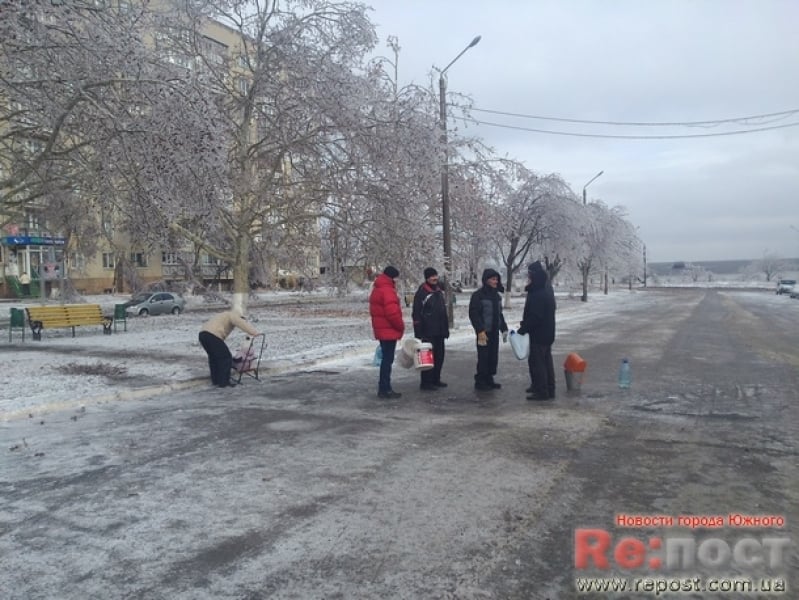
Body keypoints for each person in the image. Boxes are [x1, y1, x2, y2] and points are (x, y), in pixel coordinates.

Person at [518, 261, 557, 401]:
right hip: (548, 331)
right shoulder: (546, 288)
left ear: (533, 275)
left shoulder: (538, 292)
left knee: (538, 362)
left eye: (529, 274)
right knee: (546, 361)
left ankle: (542, 391)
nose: (528, 277)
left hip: (539, 333)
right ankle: (548, 388)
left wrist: (523, 328)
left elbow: (536, 316)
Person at [468, 268, 508, 391]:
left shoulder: (496, 296)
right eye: (493, 279)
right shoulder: (478, 296)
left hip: (494, 331)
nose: (495, 281)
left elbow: (499, 314)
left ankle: (489, 379)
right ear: (486, 280)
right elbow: (473, 314)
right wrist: (480, 330)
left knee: (492, 356)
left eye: (497, 279)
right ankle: (480, 381)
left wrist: (504, 328)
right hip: (483, 333)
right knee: (483, 357)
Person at [199, 308, 260, 388]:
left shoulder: (224, 315)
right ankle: (224, 383)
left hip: (202, 335)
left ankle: (216, 380)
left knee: (214, 358)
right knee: (226, 357)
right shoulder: (233, 315)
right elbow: (240, 323)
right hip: (212, 335)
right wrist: (254, 332)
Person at [369, 265, 405, 399]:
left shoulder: (377, 288)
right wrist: (400, 326)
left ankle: (384, 388)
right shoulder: (387, 290)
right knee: (387, 360)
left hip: (381, 329)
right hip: (388, 330)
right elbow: (392, 313)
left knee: (385, 359)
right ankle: (385, 388)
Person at [412, 267, 449, 391]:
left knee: (439, 357)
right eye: (432, 276)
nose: (435, 278)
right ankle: (426, 383)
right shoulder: (422, 293)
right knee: (428, 358)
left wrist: (445, 329)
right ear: (427, 278)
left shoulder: (438, 291)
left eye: (436, 275)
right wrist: (419, 333)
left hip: (439, 331)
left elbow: (442, 312)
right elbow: (416, 313)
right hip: (428, 332)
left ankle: (436, 379)